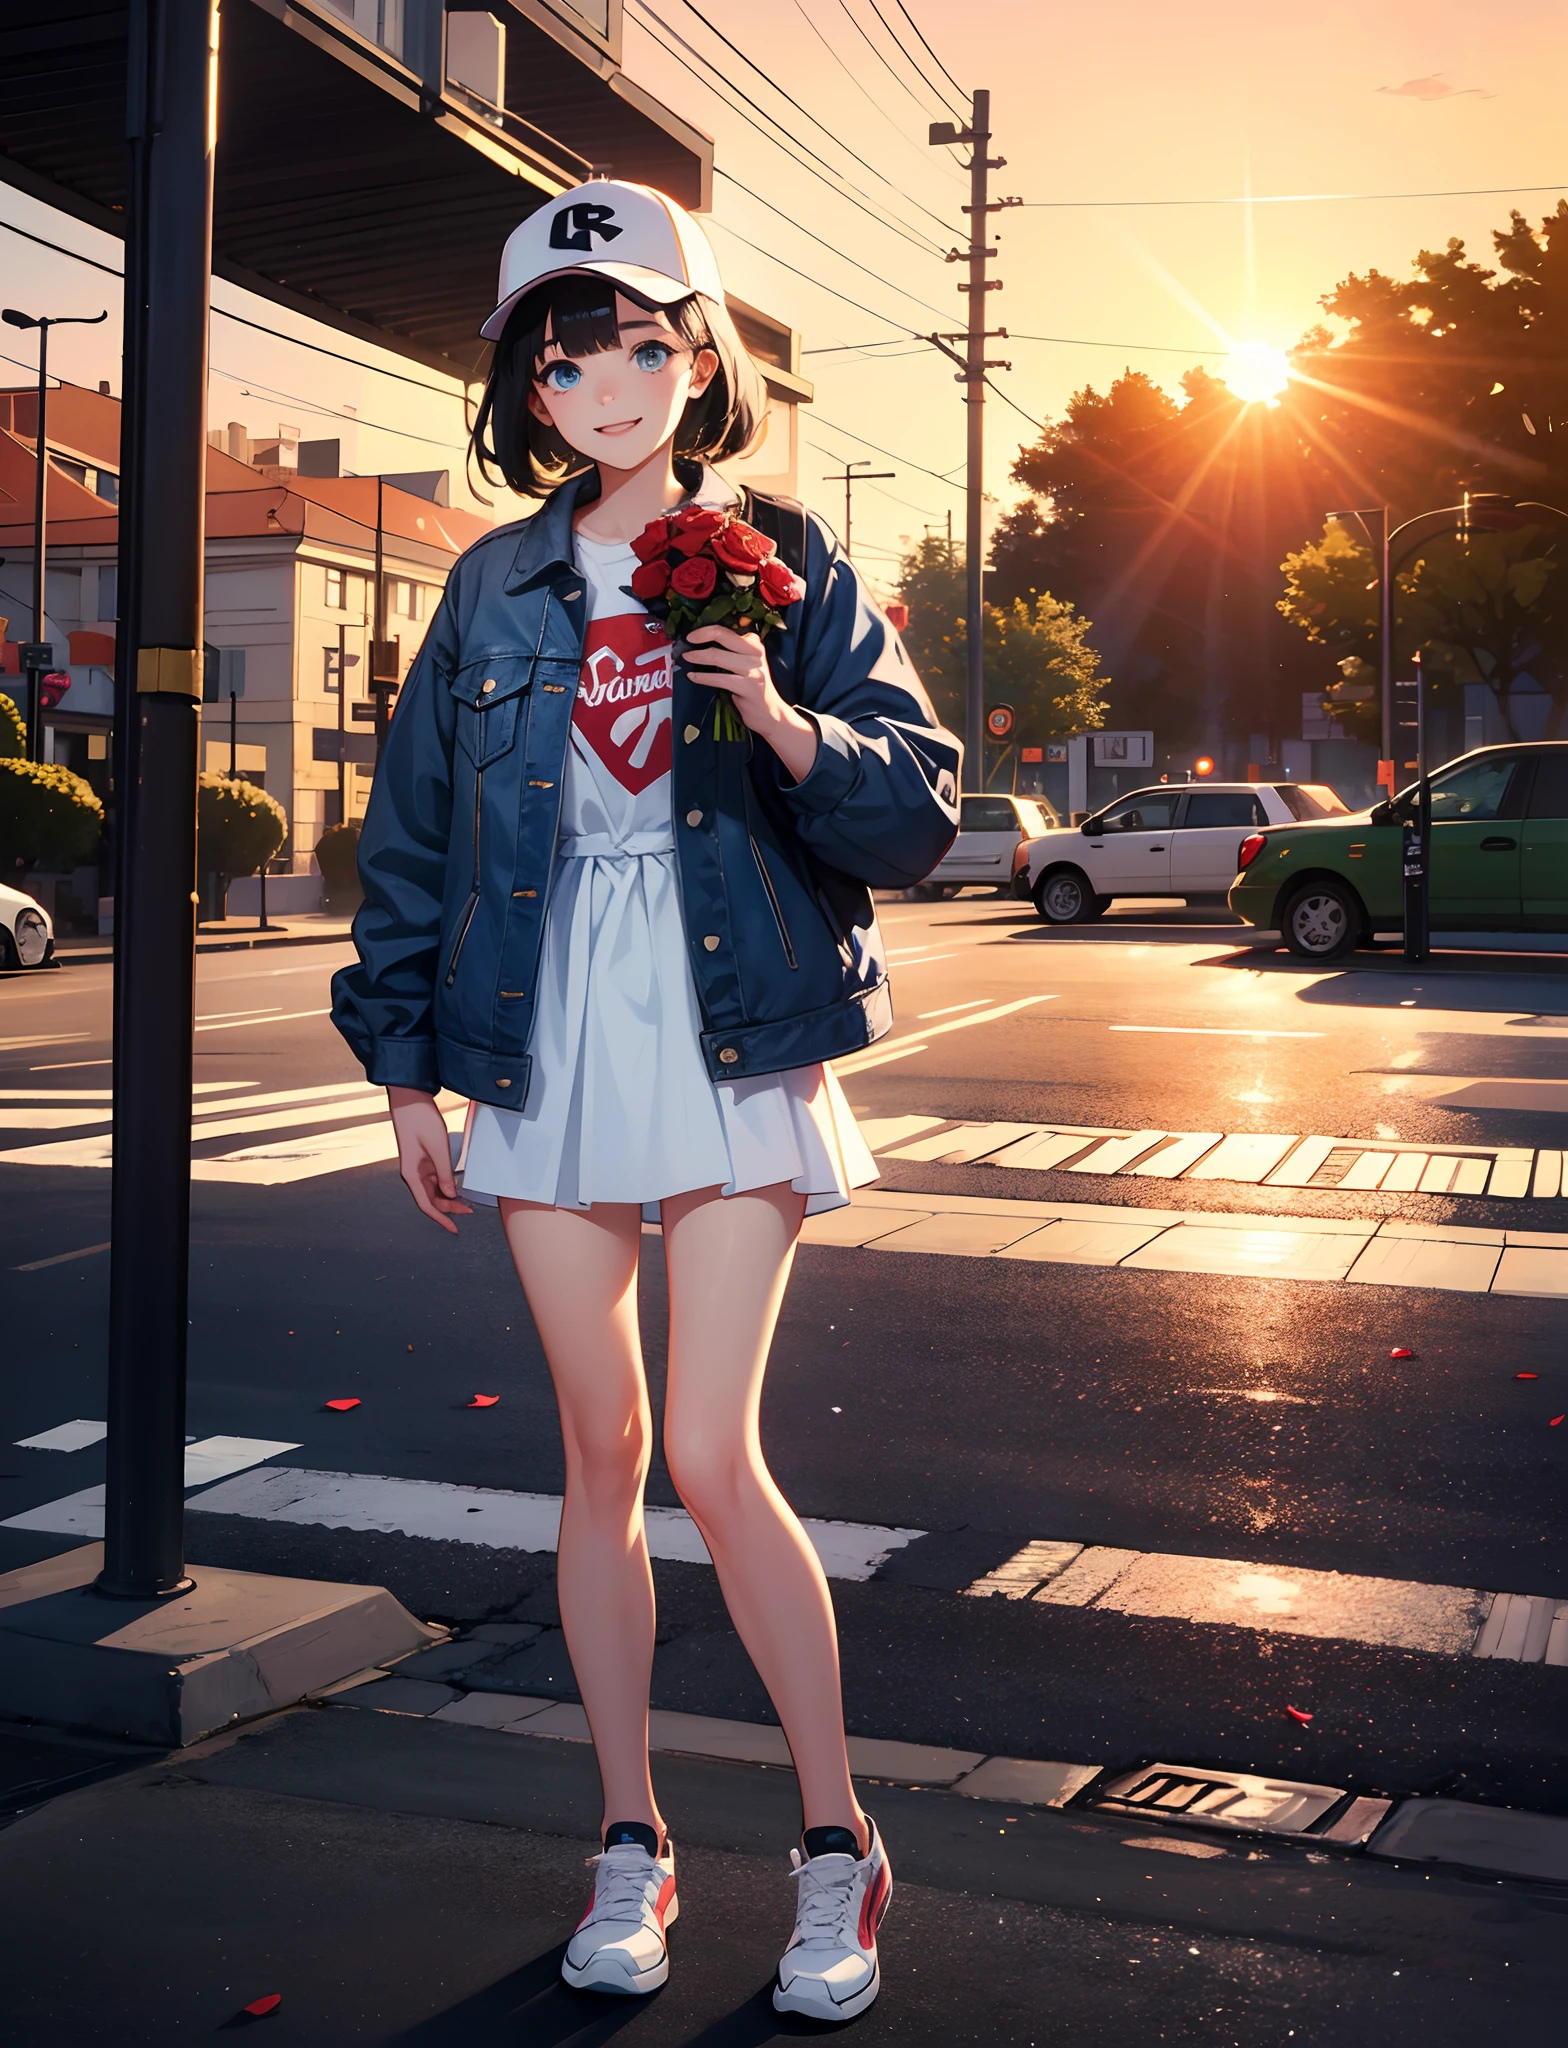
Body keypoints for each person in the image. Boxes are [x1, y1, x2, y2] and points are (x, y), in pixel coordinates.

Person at [332, 178, 959, 2022]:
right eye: (566, 352)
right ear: (527, 392)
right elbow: (418, 843)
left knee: (707, 1449)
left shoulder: (786, 559)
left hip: (733, 1022)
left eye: (641, 340)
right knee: (597, 1456)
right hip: (539, 1034)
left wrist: (780, 719)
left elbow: (912, 810)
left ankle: (838, 1846)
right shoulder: (488, 585)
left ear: (701, 359)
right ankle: (632, 1837)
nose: (607, 378)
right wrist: (407, 1072)